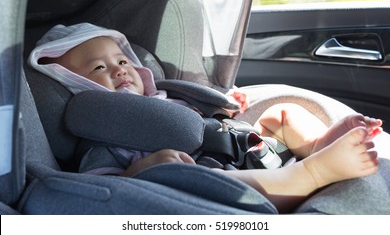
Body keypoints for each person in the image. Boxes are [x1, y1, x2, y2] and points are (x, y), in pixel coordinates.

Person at [28, 23, 383, 213]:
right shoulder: (103, 132)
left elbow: (203, 112)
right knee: (190, 178)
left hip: (240, 141)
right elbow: (103, 185)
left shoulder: (165, 95)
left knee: (281, 113)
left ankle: (317, 145)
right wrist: (145, 168)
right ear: (74, 82)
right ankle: (314, 172)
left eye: (121, 61)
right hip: (223, 176)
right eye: (99, 67)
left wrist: (225, 106)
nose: (119, 70)